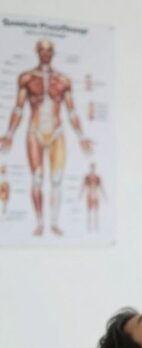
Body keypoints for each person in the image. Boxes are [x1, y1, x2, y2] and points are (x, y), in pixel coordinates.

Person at [0, 39, 93, 237]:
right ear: (37, 53)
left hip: (57, 132)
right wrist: (9, 134)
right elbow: (18, 108)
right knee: (37, 179)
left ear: (53, 54)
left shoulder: (63, 81)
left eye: (49, 51)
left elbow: (72, 111)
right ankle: (40, 222)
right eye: (42, 51)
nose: (45, 54)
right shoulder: (26, 78)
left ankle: (54, 222)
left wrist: (81, 136)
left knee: (57, 181)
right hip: (35, 132)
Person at [79, 162, 106, 232]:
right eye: (91, 167)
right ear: (90, 168)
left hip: (96, 195)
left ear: (95, 168)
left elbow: (101, 187)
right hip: (89, 194)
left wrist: (104, 196)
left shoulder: (98, 177)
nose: (92, 169)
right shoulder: (87, 177)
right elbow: (83, 186)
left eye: (93, 167)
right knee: (89, 211)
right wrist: (80, 195)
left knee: (96, 211)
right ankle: (89, 227)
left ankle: (96, 226)